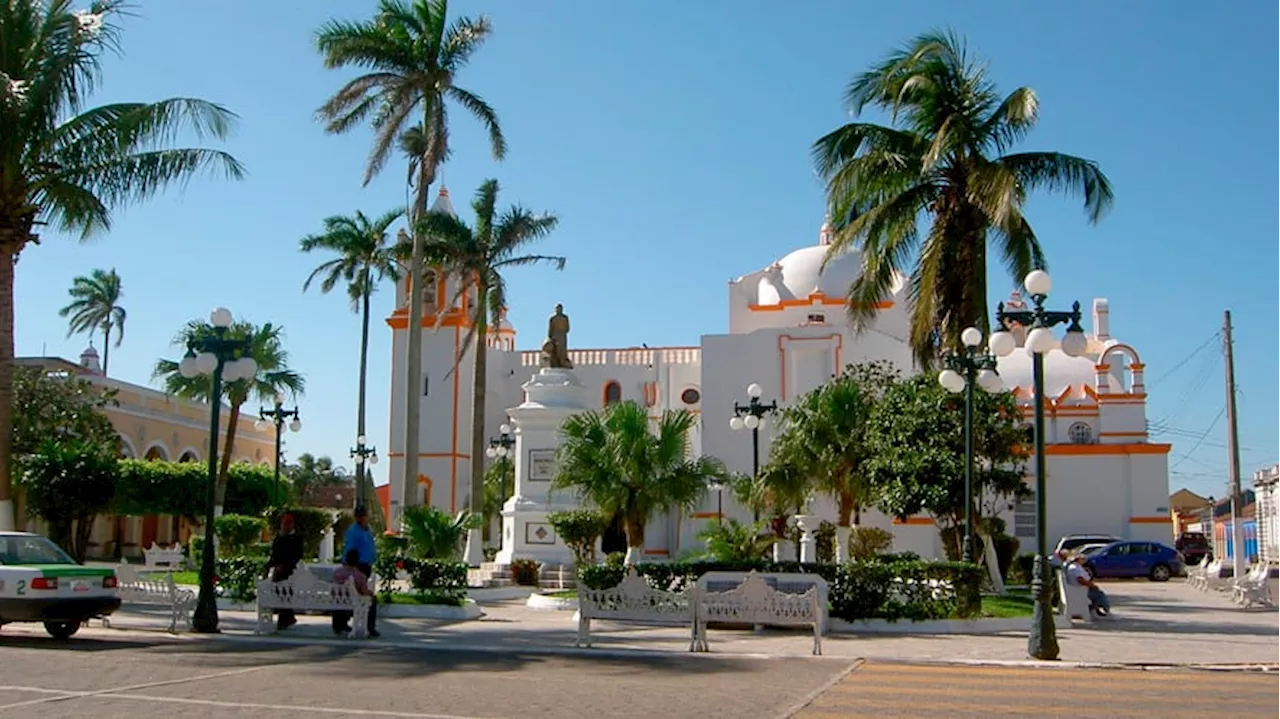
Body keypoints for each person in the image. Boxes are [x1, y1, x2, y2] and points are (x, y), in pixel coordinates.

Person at [341, 504, 379, 637]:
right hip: (357, 566)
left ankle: (367, 624)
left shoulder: (367, 529)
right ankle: (368, 626)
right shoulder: (353, 531)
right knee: (357, 594)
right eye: (359, 515)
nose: (361, 517)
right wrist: (351, 565)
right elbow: (349, 549)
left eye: (363, 515)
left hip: (366, 565)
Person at [264, 512, 304, 631]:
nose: (286, 526)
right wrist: (269, 567)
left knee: (285, 594)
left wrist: (286, 565)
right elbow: (274, 555)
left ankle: (285, 619)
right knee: (278, 593)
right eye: (284, 523)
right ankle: (287, 618)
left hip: (289, 571)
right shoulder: (279, 538)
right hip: (278, 570)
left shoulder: (296, 539)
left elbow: (297, 555)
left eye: (288, 523)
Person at [332, 549, 377, 635]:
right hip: (353, 601)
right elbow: (363, 591)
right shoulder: (359, 575)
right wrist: (370, 593)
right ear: (357, 561)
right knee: (372, 600)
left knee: (340, 600)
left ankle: (339, 625)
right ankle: (370, 627)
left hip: (337, 600)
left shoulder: (337, 572)